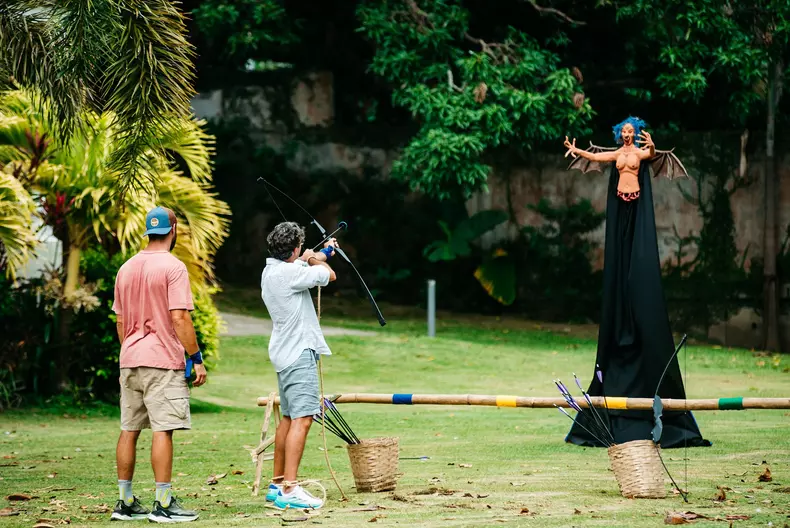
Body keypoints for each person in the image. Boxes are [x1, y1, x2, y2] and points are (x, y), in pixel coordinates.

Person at [562, 117, 710, 449]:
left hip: (636, 202)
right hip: (621, 205)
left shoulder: (641, 154)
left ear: (635, 133)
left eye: (631, 132)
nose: (628, 136)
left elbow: (653, 154)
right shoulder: (616, 155)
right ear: (619, 135)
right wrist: (577, 150)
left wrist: (652, 145)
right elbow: (598, 159)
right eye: (624, 132)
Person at [110, 206, 208, 522]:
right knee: (163, 430)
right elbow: (179, 317)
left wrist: (131, 349)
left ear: (148, 232)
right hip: (161, 362)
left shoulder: (126, 268)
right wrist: (196, 358)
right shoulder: (173, 267)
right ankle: (163, 504)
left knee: (129, 429)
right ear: (173, 229)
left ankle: (125, 503)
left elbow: (120, 321)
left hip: (130, 359)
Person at [260, 221, 337, 510]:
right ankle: (290, 489)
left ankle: (277, 484)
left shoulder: (271, 271)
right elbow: (329, 274)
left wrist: (314, 255)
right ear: (294, 249)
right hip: (298, 354)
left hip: (284, 354)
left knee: (290, 419)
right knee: (304, 419)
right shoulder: (292, 272)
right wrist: (317, 257)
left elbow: (308, 267)